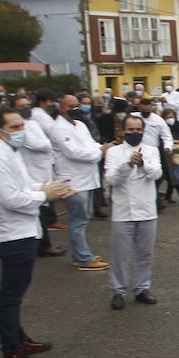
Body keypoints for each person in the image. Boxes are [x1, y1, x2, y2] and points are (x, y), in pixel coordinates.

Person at [0, 107, 74, 358]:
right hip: (12, 234)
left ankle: (18, 339)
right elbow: (12, 199)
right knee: (10, 296)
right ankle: (11, 353)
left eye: (22, 126)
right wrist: (46, 196)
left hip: (23, 232)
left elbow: (25, 186)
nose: (22, 132)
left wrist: (48, 189)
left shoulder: (10, 153)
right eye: (16, 127)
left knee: (16, 294)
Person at [105, 115, 163, 310]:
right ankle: (118, 291)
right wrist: (128, 164)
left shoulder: (152, 150)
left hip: (147, 210)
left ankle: (141, 288)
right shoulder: (114, 152)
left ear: (143, 131)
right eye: (130, 130)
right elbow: (112, 179)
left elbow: (156, 174)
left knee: (145, 253)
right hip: (123, 211)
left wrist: (142, 164)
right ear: (122, 131)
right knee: (120, 254)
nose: (135, 133)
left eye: (138, 130)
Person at [50, 95, 109, 271]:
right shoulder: (58, 128)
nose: (76, 109)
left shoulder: (81, 125)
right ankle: (84, 259)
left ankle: (80, 254)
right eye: (72, 106)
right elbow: (73, 152)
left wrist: (100, 148)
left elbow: (90, 144)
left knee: (83, 218)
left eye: (78, 106)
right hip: (73, 181)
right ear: (61, 108)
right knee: (78, 220)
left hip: (87, 178)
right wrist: (99, 153)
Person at [11, 94, 64, 257]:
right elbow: (36, 144)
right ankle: (44, 246)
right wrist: (48, 144)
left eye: (27, 105)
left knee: (43, 209)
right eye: (21, 106)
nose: (26, 108)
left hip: (43, 169)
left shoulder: (33, 123)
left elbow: (45, 142)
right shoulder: (19, 128)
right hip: (32, 171)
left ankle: (44, 244)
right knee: (38, 210)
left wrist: (47, 144)